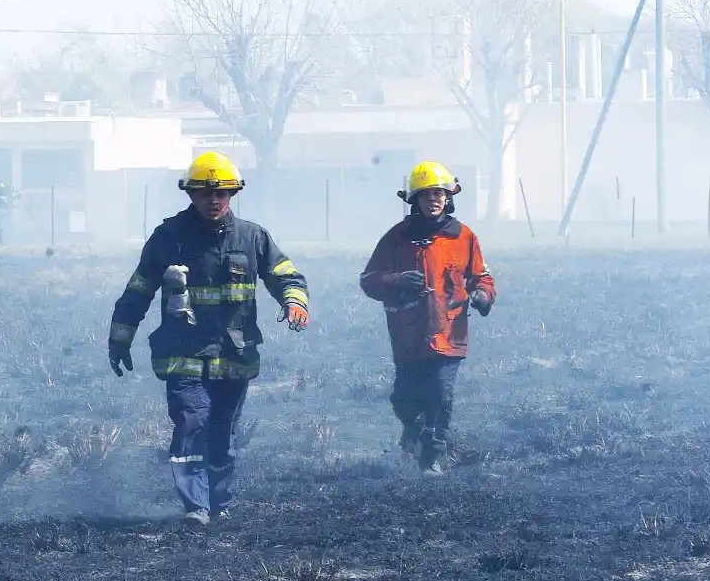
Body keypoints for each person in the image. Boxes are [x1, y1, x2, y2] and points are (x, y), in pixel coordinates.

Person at [108, 152, 309, 526]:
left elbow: (285, 275)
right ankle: (195, 505)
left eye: (221, 194)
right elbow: (139, 288)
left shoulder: (253, 236)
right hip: (183, 353)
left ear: (233, 194)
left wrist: (294, 302)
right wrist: (120, 336)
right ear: (190, 195)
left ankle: (219, 502)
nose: (213, 201)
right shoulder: (168, 237)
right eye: (204, 194)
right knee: (191, 422)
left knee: (223, 432)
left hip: (235, 355)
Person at [359, 161, 495, 475]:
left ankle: (433, 457)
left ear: (449, 197)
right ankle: (414, 431)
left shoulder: (464, 237)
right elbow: (369, 280)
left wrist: (484, 296)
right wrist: (397, 281)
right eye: (426, 195)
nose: (433, 199)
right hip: (408, 336)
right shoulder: (397, 237)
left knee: (441, 394)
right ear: (414, 200)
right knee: (403, 397)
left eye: (439, 193)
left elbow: (481, 277)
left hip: (450, 333)